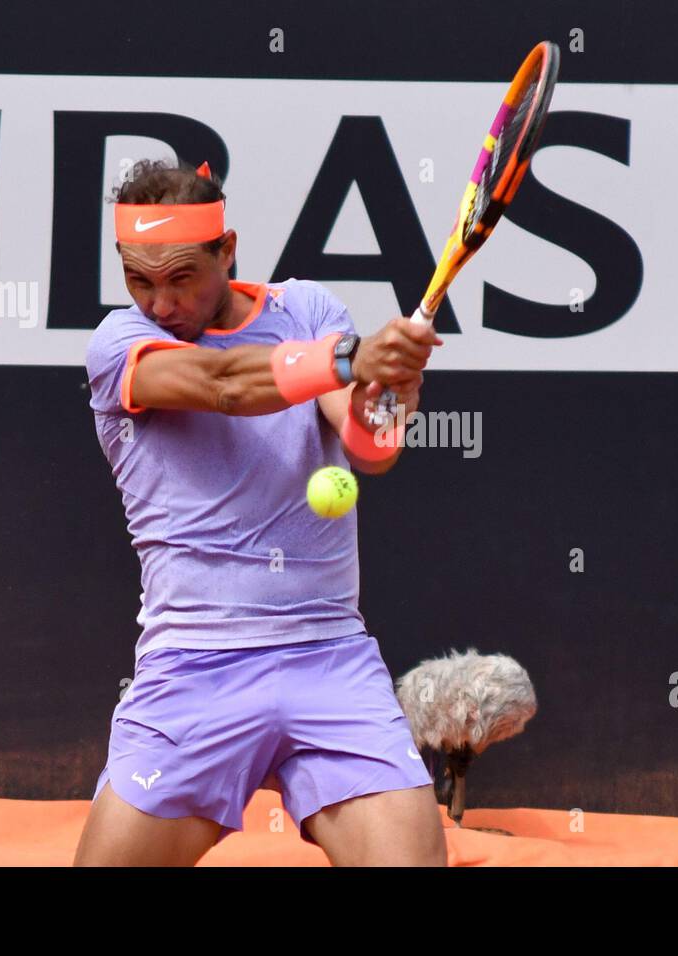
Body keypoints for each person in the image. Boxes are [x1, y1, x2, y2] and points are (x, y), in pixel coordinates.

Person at [73, 158, 447, 866]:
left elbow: (370, 449)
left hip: (329, 656)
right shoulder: (119, 346)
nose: (160, 303)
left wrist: (391, 390)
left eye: (182, 277)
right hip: (192, 668)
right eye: (138, 280)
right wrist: (349, 357)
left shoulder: (305, 311)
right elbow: (222, 385)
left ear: (228, 248)